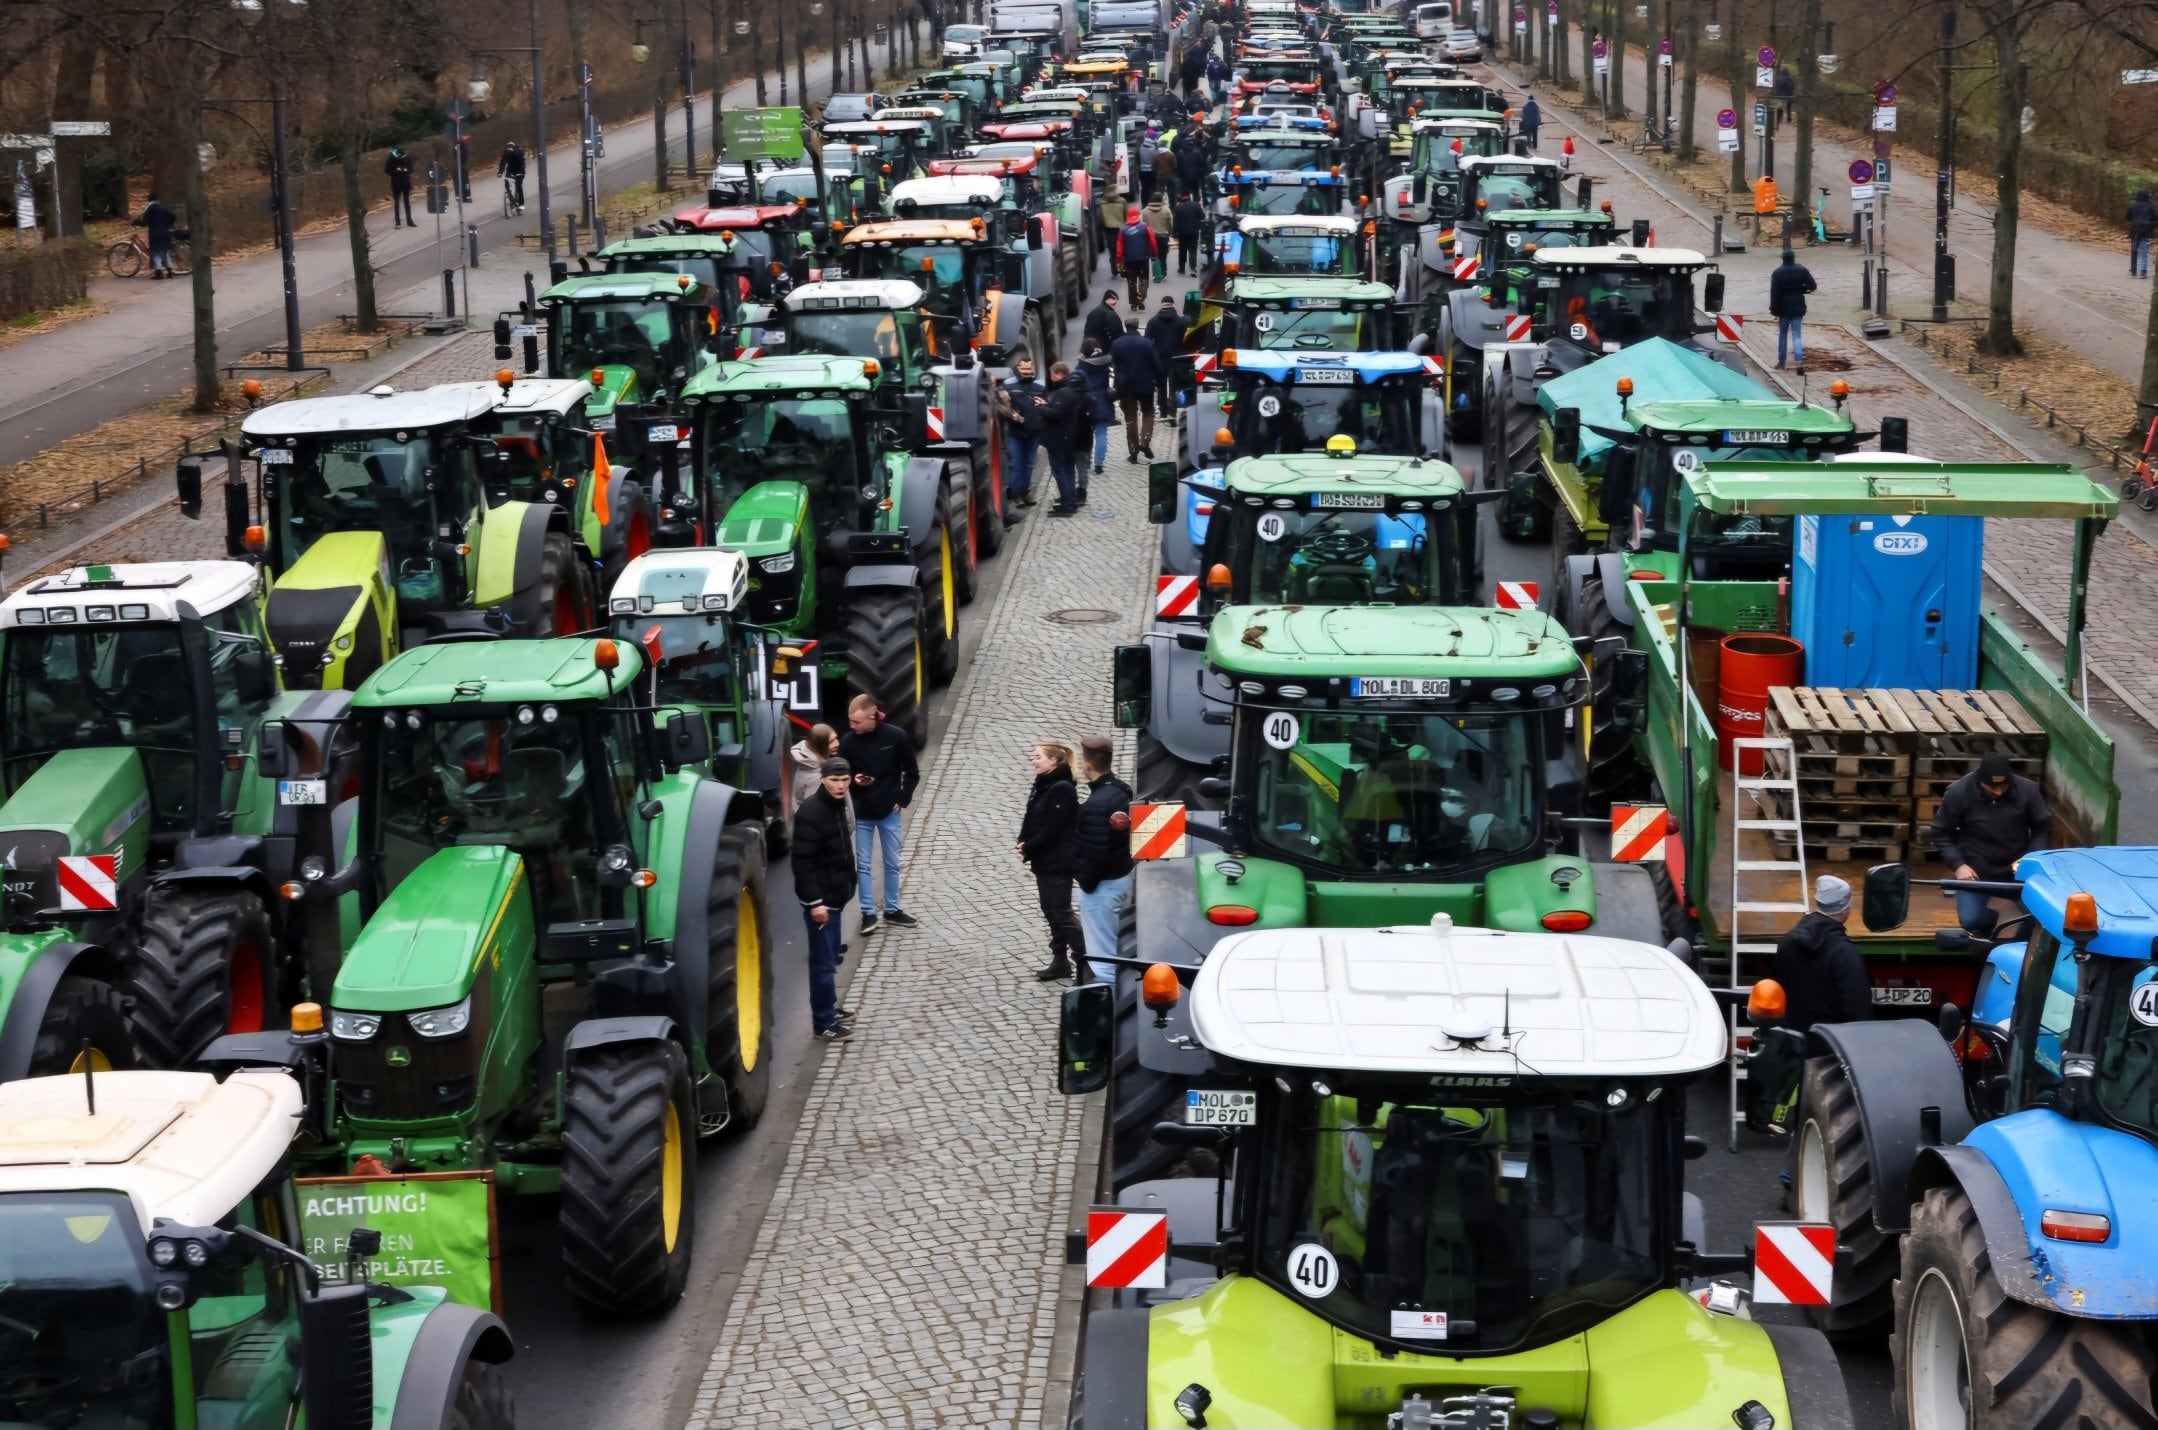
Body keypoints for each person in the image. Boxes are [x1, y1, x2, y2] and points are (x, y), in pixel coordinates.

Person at [1931, 751, 2052, 934]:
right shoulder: (1958, 792)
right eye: (1992, 787)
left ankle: (2019, 945)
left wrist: (2030, 859)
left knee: (2039, 917)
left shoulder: (2028, 790)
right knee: (1971, 920)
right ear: (1979, 780)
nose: (1998, 792)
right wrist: (1959, 865)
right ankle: (1988, 925)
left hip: (2017, 870)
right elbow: (1941, 832)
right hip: (1976, 870)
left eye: (2003, 787)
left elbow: (2042, 827)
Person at [839, 693, 920, 933]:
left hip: (889, 812)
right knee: (863, 864)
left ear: (872, 717)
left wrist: (902, 799)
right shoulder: (848, 742)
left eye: (857, 722)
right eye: (850, 721)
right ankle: (868, 913)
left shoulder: (896, 737)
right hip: (862, 812)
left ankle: (892, 909)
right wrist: (854, 779)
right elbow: (843, 774)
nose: (852, 726)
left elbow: (912, 772)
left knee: (892, 862)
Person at [790, 758, 858, 1041]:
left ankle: (829, 1007)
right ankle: (824, 1022)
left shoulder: (836, 805)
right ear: (823, 780)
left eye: (845, 780)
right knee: (823, 964)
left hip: (835, 897)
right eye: (835, 780)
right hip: (822, 902)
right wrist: (815, 902)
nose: (841, 786)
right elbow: (802, 863)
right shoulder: (811, 812)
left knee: (829, 959)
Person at [1770, 876, 1873, 1032]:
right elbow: (1858, 1010)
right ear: (1845, 909)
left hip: (1794, 1040)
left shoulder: (1786, 943)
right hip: (1830, 1042)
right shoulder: (1844, 953)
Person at [1018, 743, 1084, 981]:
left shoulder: (1062, 788)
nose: (1033, 760)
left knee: (1061, 912)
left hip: (1058, 861)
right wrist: (1023, 838)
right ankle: (1060, 961)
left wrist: (1029, 846)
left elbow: (1053, 828)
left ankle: (1087, 960)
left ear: (1054, 761)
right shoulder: (1043, 783)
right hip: (1044, 860)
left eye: (1038, 757)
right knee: (1050, 911)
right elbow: (1032, 816)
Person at [1073, 736, 1135, 985]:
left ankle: (1109, 999)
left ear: (1087, 764)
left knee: (1104, 960)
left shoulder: (1095, 806)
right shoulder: (1121, 790)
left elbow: (1095, 853)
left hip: (1103, 887)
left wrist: (1086, 884)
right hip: (1123, 876)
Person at [996, 354, 1049, 511]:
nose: (1026, 372)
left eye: (1029, 369)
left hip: (1033, 432)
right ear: (1017, 369)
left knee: (1029, 464)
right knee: (1016, 464)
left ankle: (1025, 492)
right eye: (1023, 369)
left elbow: (1046, 404)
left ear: (1033, 368)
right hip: (1015, 432)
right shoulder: (1009, 386)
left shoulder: (1039, 387)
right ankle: (1017, 494)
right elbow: (1002, 406)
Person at [1039, 360, 1092, 515]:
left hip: (1058, 439)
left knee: (1060, 471)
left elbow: (1056, 414)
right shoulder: (1070, 391)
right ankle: (1069, 501)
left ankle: (1067, 504)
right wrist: (1047, 405)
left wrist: (1041, 407)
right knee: (1068, 470)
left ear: (1056, 374)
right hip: (1068, 438)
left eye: (1051, 374)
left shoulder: (1063, 392)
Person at [1111, 316, 1165, 460]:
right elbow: (1156, 364)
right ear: (1137, 327)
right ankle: (1145, 443)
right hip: (1145, 384)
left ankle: (1133, 450)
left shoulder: (1117, 343)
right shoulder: (1146, 343)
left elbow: (1113, 363)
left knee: (1130, 417)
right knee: (1148, 414)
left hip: (1125, 387)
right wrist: (1160, 382)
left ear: (1126, 327)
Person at [785, 721, 841, 830]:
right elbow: (814, 810)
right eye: (831, 742)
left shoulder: (803, 761)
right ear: (820, 745)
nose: (837, 744)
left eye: (836, 738)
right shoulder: (816, 775)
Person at [1768, 248, 1816, 370]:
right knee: (1797, 335)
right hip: (1798, 306)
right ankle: (1799, 361)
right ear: (1793, 258)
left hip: (1783, 308)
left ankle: (1781, 362)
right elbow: (1813, 286)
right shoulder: (1801, 269)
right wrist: (1802, 289)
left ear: (1782, 259)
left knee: (1782, 335)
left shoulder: (1777, 273)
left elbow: (1774, 294)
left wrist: (1774, 310)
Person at [1076, 337, 1116, 480]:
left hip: (1086, 403)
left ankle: (1085, 463)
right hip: (1103, 401)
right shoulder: (1106, 362)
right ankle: (1099, 465)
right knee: (1102, 434)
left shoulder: (1082, 365)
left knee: (1086, 436)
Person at [1146, 294, 1184, 412]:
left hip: (1159, 358)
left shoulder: (1153, 321)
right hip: (1176, 358)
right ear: (1173, 304)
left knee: (1161, 385)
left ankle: (1162, 410)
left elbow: (1147, 341)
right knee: (1174, 386)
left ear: (1162, 305)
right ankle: (1173, 410)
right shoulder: (1180, 321)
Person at [1116, 207, 1161, 306]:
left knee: (1131, 281)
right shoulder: (1145, 227)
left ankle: (1133, 303)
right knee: (1143, 279)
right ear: (1138, 215)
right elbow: (1153, 241)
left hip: (1129, 260)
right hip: (1143, 258)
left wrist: (1119, 259)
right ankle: (1141, 297)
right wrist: (1155, 253)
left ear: (1128, 216)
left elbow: (1119, 246)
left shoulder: (1123, 229)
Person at [132, 194, 179, 279]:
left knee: (156, 253)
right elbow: (174, 216)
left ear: (149, 200)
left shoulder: (149, 210)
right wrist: (167, 224)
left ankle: (159, 273)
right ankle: (169, 271)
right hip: (165, 232)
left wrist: (135, 223)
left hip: (155, 234)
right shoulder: (163, 208)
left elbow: (144, 222)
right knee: (165, 252)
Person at [1172, 187, 1204, 274]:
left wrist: (1174, 233)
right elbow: (1202, 216)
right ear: (1190, 196)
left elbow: (1175, 222)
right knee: (1193, 250)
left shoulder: (1178, 207)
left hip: (1182, 233)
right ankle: (1193, 267)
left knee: (1182, 250)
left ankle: (1181, 268)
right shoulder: (1196, 205)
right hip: (1194, 231)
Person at [385, 146, 415, 227]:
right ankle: (397, 222)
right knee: (397, 203)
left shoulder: (406, 158)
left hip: (405, 182)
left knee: (407, 202)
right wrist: (396, 171)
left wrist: (406, 170)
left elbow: (411, 169)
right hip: (396, 183)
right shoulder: (391, 159)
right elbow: (387, 170)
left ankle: (409, 221)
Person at [2130, 189, 2155, 278]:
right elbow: (2155, 218)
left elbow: (2127, 217)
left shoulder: (2132, 206)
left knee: (2134, 250)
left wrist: (2134, 221)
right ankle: (2143, 271)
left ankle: (2133, 270)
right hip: (2146, 231)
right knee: (2144, 251)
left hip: (2135, 230)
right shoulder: (2151, 207)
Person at [1752, 171, 1782, 244]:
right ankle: (1763, 238)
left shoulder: (1762, 182)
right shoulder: (1771, 182)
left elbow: (1755, 189)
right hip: (1768, 207)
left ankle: (1761, 238)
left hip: (1762, 208)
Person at [498, 140, 526, 210]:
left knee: (519, 186)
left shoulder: (519, 151)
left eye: (510, 147)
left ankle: (521, 204)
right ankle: (511, 197)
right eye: (508, 147)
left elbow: (520, 161)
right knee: (506, 182)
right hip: (511, 170)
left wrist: (513, 152)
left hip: (519, 171)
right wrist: (500, 172)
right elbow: (502, 162)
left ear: (514, 147)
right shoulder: (506, 152)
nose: (509, 148)